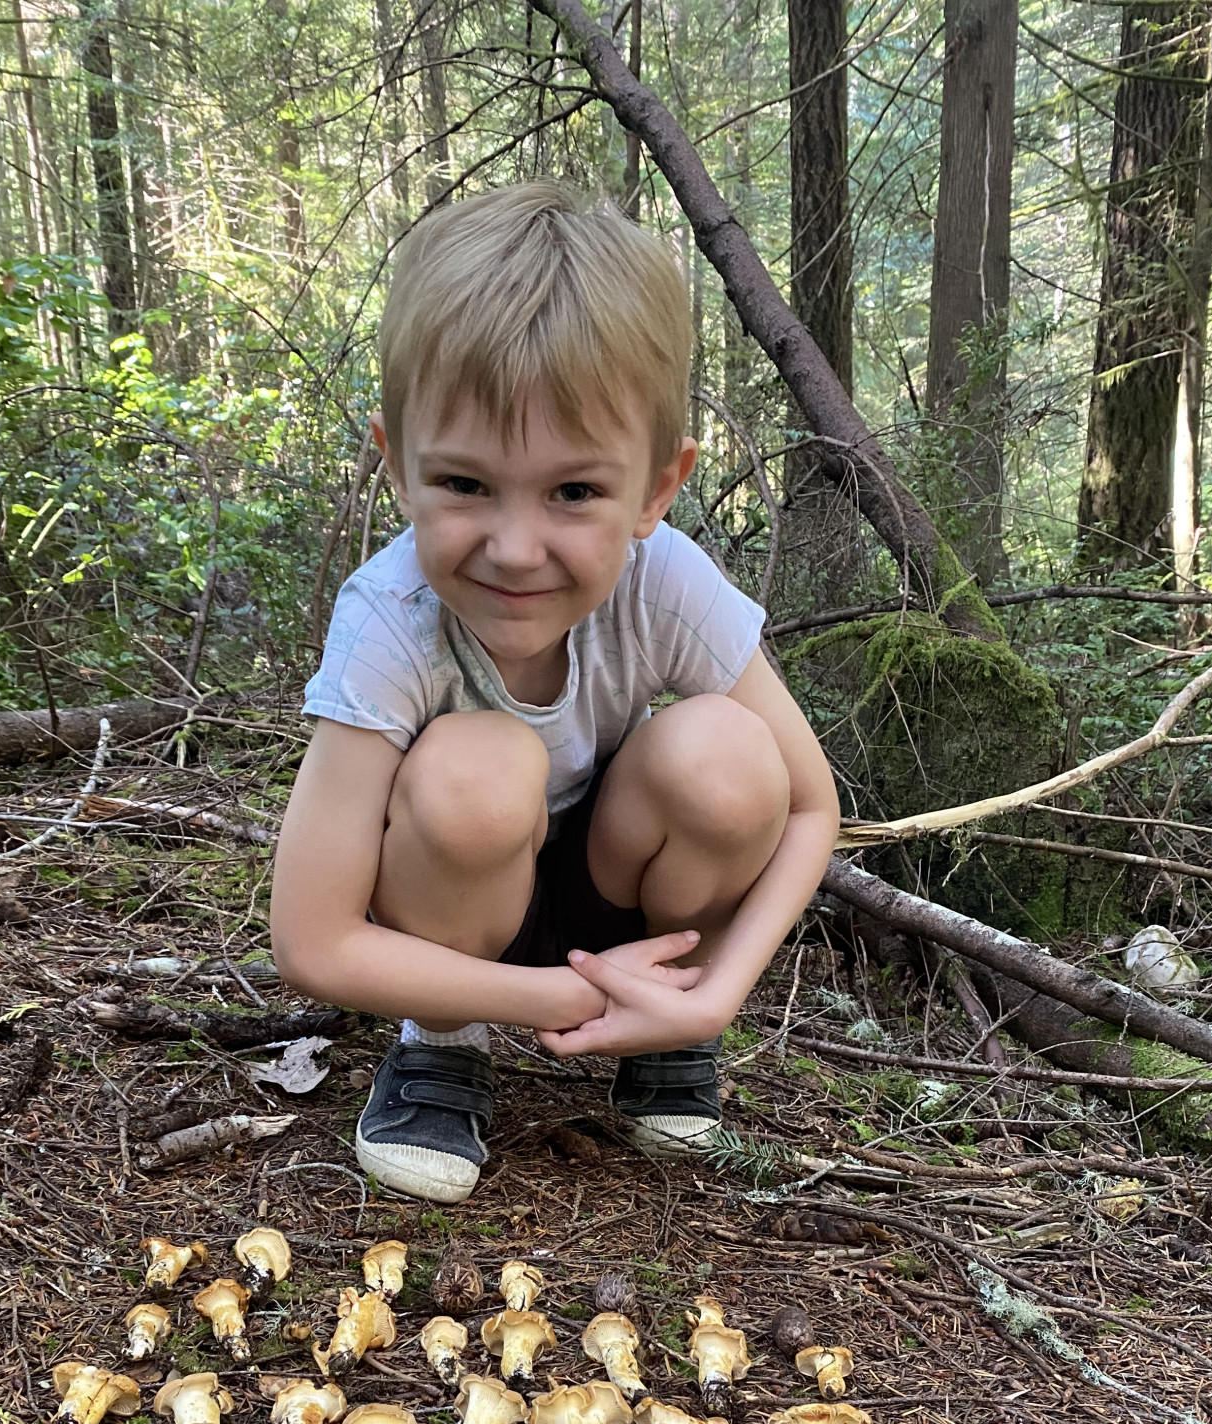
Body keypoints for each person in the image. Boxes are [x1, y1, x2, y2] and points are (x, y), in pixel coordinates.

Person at [270, 183, 839, 1204]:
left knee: (728, 755)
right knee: (476, 769)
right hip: (455, 908)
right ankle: (443, 1043)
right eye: (465, 485)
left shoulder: (666, 582)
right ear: (397, 466)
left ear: (657, 489)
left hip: (615, 899)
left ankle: (664, 1034)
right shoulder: (391, 621)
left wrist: (712, 995)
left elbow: (807, 805)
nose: (516, 549)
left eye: (574, 492)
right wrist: (553, 997)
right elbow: (310, 936)